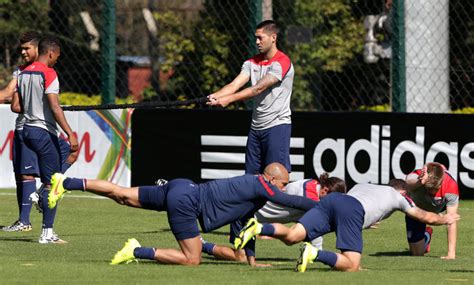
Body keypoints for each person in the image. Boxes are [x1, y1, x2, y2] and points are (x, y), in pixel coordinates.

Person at [48, 162, 317, 266]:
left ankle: (66, 183)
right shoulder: (263, 185)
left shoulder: (255, 191)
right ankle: (136, 251)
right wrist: (320, 207)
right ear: (271, 178)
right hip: (186, 203)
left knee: (122, 195)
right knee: (191, 260)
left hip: (182, 186)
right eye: (282, 182)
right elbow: (287, 199)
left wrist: (252, 262)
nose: (284, 186)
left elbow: (246, 225)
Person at [235, 179, 460, 272]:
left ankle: (258, 228)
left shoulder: (365, 184)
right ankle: (314, 253)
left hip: (334, 200)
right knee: (352, 265)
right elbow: (425, 216)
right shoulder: (399, 197)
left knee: (293, 235)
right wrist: (444, 219)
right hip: (352, 210)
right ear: (402, 191)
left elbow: (351, 203)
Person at [2, 32, 78, 233]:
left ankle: (40, 194)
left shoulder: (30, 73)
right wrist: (69, 131)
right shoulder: (34, 72)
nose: (23, 52)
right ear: (51, 53)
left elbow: (16, 102)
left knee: (71, 153)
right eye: (22, 49)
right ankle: (34, 225)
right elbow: (15, 103)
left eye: (27, 48)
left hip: (34, 129)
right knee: (33, 176)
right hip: (36, 129)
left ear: (39, 49)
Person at [207, 20, 294, 175]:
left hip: (277, 126)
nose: (257, 42)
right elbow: (234, 85)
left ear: (273, 37)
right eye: (256, 37)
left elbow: (258, 88)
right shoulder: (251, 63)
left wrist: (228, 100)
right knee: (251, 179)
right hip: (256, 129)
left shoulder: (282, 62)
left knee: (276, 177)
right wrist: (216, 96)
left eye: (261, 38)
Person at [201, 174, 346, 266]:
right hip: (245, 217)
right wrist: (318, 252)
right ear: (325, 190)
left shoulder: (312, 184)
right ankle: (203, 246)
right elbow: (315, 223)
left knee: (247, 258)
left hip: (253, 219)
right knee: (241, 257)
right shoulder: (311, 198)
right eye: (334, 200)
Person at [405, 162, 459, 259]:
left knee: (449, 218)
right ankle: (426, 236)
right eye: (429, 189)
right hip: (417, 210)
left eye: (435, 189)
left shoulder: (451, 186)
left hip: (436, 209)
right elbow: (408, 182)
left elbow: (451, 220)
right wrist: (419, 182)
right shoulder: (419, 175)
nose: (432, 193)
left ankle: (425, 234)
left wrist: (451, 254)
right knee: (417, 254)